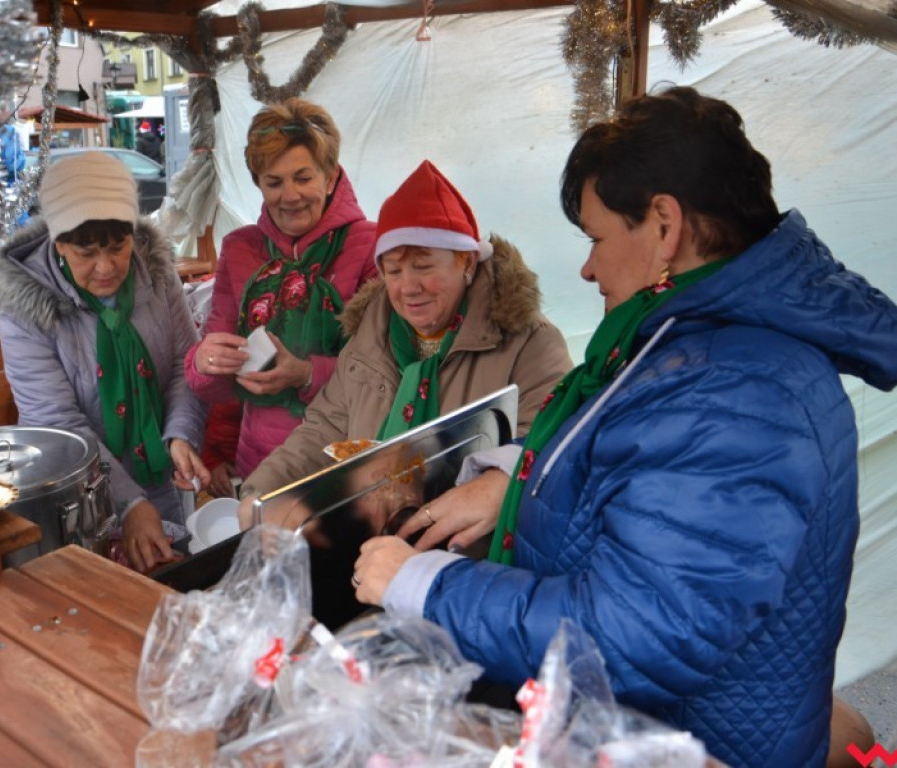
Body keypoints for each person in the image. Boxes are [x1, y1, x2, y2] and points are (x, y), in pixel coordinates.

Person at [351, 87, 897, 767]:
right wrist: (513, 477)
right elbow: (634, 449)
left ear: (665, 226)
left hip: (687, 745)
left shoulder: (738, 391)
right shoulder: (699, 341)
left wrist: (425, 584)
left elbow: (637, 636)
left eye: (597, 238)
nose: (586, 267)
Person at [238, 159, 572, 526]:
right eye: (394, 270)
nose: (409, 287)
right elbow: (323, 430)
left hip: (466, 548)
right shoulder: (370, 337)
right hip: (372, 540)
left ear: (467, 262)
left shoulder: (529, 344)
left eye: (424, 266)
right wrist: (261, 495)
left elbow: (551, 451)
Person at [0, 152, 210, 573]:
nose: (105, 267)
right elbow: (57, 424)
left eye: (117, 247)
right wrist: (129, 505)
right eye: (86, 252)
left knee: (169, 577)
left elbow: (186, 364)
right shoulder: (26, 311)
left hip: (157, 475)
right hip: (76, 497)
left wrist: (180, 435)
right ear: (58, 243)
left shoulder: (156, 275)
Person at [185, 98, 378, 480]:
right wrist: (204, 362)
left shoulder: (370, 246)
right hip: (259, 463)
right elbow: (224, 375)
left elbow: (383, 371)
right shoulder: (240, 248)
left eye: (303, 178)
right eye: (274, 182)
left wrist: (306, 374)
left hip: (341, 462)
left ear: (330, 176)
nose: (289, 196)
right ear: (258, 183)